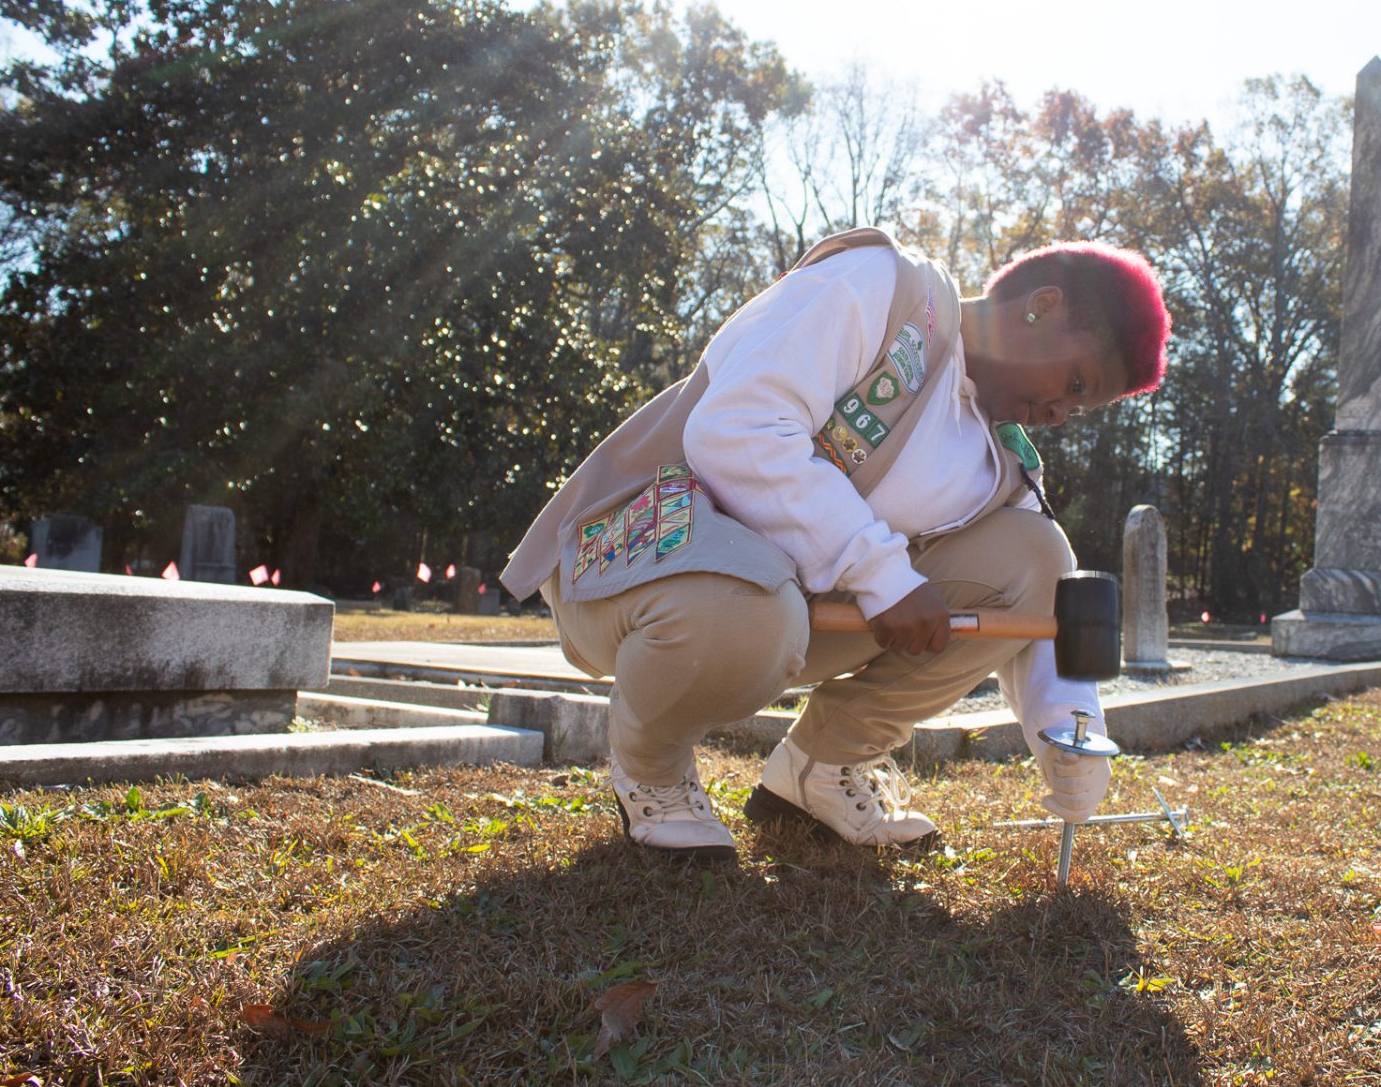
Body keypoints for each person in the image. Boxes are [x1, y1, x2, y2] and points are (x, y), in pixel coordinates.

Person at [499, 226, 1172, 863]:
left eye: (1079, 410)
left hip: (787, 612)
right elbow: (737, 428)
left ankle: (823, 765)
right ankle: (652, 770)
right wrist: (880, 571)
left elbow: (1041, 602)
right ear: (1041, 306)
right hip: (630, 561)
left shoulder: (1002, 462)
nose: (1059, 414)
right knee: (753, 606)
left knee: (1038, 551)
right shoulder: (883, 289)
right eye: (1075, 383)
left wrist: (1071, 728)